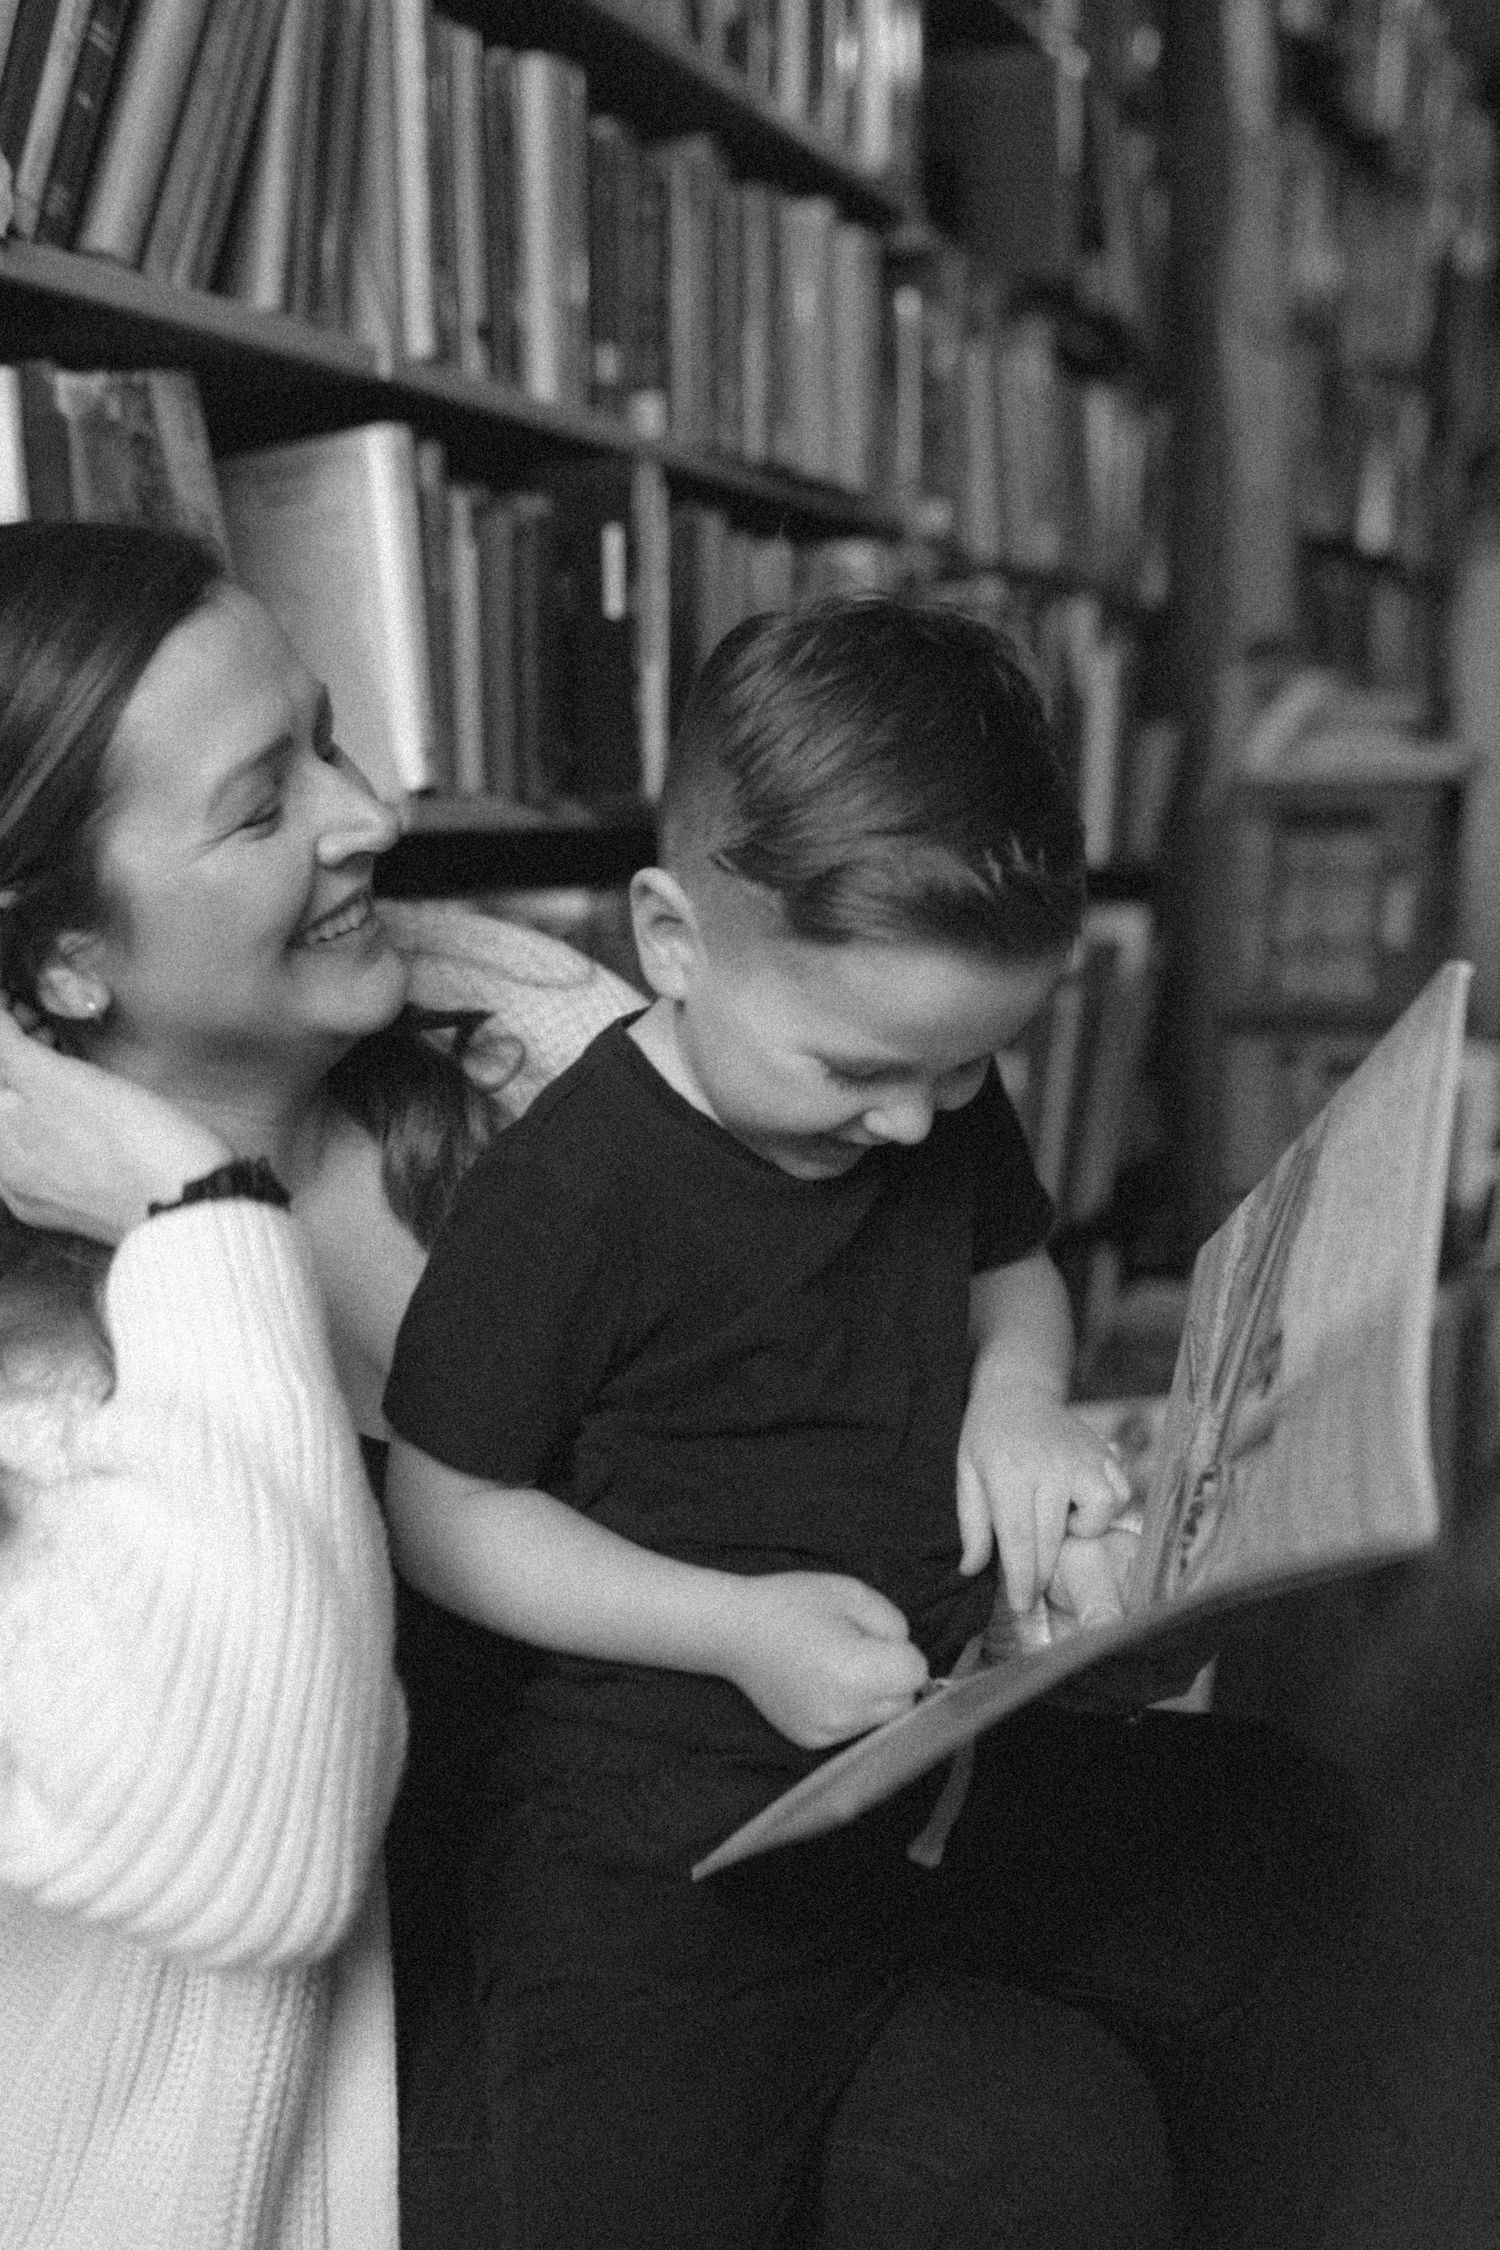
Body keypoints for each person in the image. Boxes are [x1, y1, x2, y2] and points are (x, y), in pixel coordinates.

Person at [381, 599, 1350, 2249]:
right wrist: (732, 1625)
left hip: (925, 1765)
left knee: (1285, 1837)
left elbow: (1012, 1263)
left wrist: (1024, 1400)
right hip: (653, 1857)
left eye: (966, 1072)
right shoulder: (569, 1194)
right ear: (672, 943)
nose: (912, 1120)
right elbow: (446, 1507)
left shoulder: (919, 1081)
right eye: (857, 1072)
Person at [0, 516, 639, 2249]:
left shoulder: (501, 1006)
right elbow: (267, 1863)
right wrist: (193, 1207)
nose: (374, 819)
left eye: (330, 739)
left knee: (1251, 1866)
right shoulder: (26, 1393)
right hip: (362, 2081)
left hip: (657, 1861)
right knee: (986, 2127)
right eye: (265, 803)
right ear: (63, 963)